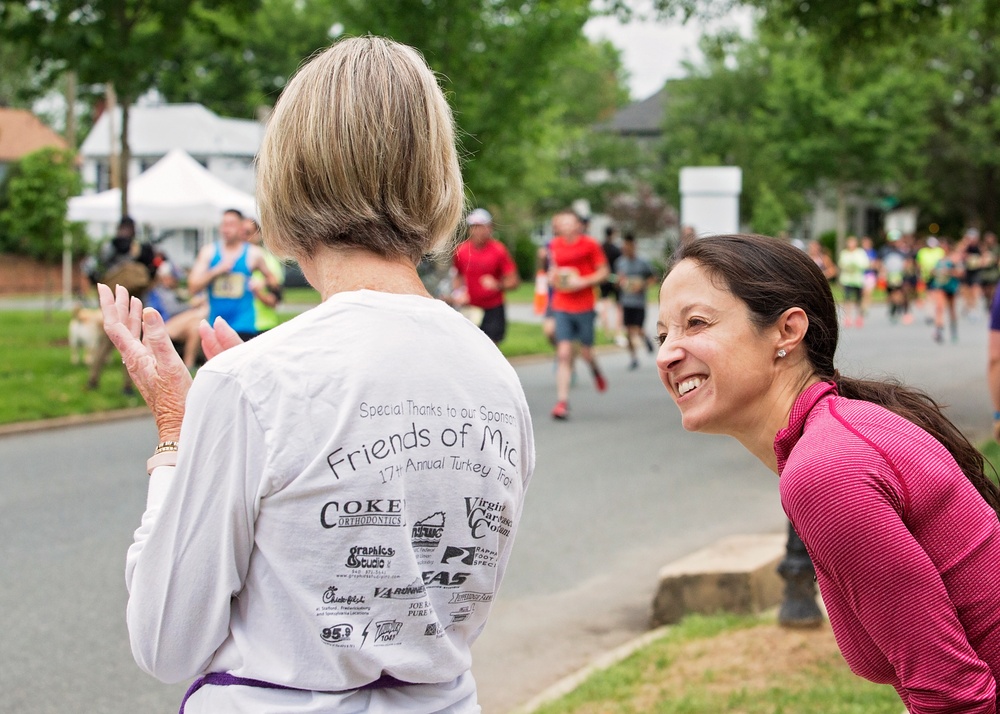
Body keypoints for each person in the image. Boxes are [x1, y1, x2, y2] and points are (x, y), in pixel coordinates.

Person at [97, 36, 534, 714]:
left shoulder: (254, 380)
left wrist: (176, 432)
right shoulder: (495, 377)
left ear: (290, 173)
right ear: (437, 174)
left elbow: (165, 641)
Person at [656, 233, 1000, 712]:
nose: (667, 354)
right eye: (662, 334)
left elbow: (954, 696)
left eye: (696, 323)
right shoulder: (844, 428)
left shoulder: (827, 470)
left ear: (787, 331)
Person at [548, 209, 609, 420]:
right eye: (561, 221)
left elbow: (603, 272)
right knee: (563, 352)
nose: (564, 225)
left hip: (584, 305)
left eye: (569, 221)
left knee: (586, 353)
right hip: (561, 304)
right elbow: (553, 270)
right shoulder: (554, 245)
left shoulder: (590, 244)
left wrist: (582, 281)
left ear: (578, 224)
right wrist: (553, 277)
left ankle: (595, 371)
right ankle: (562, 402)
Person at [85, 215, 156, 393]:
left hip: (133, 303)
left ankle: (127, 385)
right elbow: (94, 268)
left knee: (131, 344)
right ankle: (94, 379)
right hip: (119, 303)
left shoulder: (137, 247)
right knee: (112, 341)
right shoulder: (112, 247)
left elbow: (150, 270)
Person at [186, 208, 279, 342]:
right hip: (217, 323)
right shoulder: (209, 252)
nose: (226, 229)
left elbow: (272, 279)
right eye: (224, 224)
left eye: (231, 224)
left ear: (241, 227)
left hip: (244, 323)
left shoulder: (254, 254)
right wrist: (216, 271)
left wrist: (261, 284)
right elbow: (192, 287)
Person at [451, 208, 520, 343]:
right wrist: (458, 293)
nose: (477, 231)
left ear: (490, 228)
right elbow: (457, 276)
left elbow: (514, 281)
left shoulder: (499, 250)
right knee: (469, 347)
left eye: (481, 226)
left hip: (493, 308)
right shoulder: (461, 250)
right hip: (470, 308)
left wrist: (498, 285)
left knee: (491, 349)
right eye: (474, 227)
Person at [614, 233, 657, 369]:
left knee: (638, 329)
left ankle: (645, 338)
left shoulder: (643, 261)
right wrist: (618, 282)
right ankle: (633, 358)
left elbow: (653, 278)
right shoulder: (620, 262)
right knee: (628, 331)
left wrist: (642, 285)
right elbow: (616, 281)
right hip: (626, 301)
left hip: (638, 302)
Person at [243, 217, 285, 334]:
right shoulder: (230, 261)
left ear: (258, 235)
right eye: (240, 233)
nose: (244, 237)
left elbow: (275, 299)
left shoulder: (269, 260)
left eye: (248, 233)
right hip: (236, 324)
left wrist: (257, 292)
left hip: (262, 325)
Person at [837, 235, 869, 328]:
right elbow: (842, 264)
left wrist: (854, 264)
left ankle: (859, 317)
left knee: (859, 299)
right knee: (847, 299)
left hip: (858, 280)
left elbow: (864, 264)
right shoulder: (844, 253)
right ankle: (848, 317)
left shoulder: (860, 252)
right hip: (847, 279)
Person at [597, 226, 622, 342]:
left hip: (603, 278)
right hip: (614, 278)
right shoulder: (616, 249)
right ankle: (617, 330)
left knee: (604, 304)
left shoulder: (600, 248)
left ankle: (606, 331)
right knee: (618, 306)